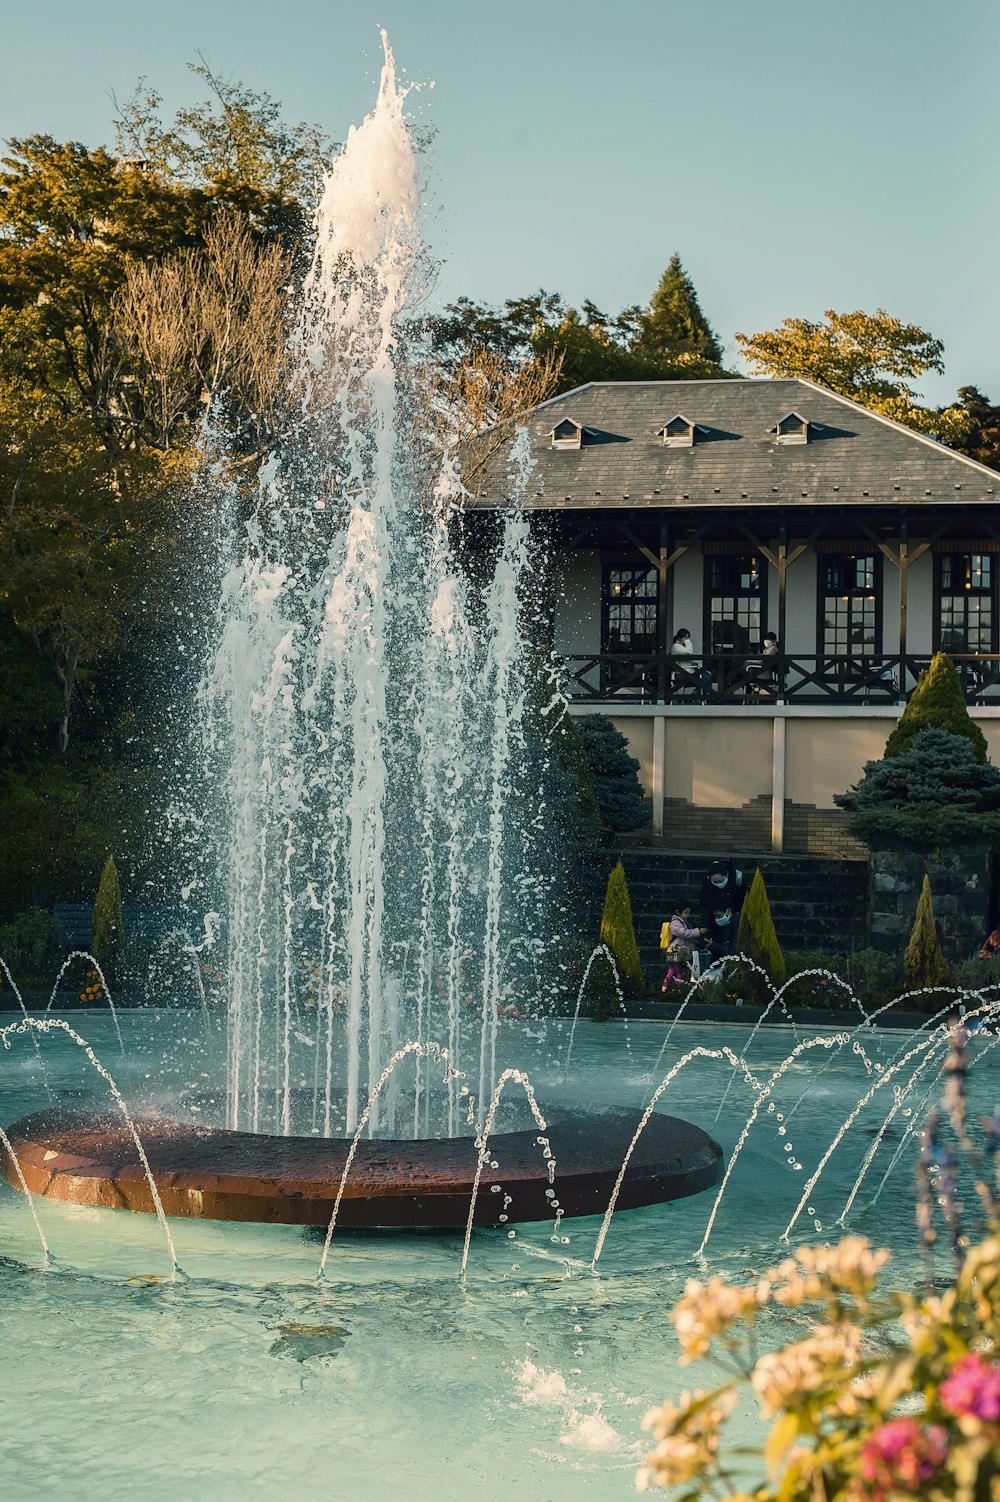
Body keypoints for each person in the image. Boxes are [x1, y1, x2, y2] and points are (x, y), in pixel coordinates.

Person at [699, 861, 747, 952]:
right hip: (715, 917)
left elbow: (742, 899)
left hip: (733, 916)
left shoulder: (736, 881)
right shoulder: (708, 885)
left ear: (727, 875)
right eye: (715, 882)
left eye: (720, 881)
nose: (718, 884)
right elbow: (704, 903)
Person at [660, 904, 708, 991]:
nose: (688, 915)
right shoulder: (675, 923)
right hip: (676, 952)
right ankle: (666, 987)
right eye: (686, 913)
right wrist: (698, 932)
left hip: (682, 952)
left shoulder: (684, 922)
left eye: (688, 913)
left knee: (680, 971)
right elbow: (685, 933)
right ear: (678, 912)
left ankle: (678, 989)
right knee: (673, 971)